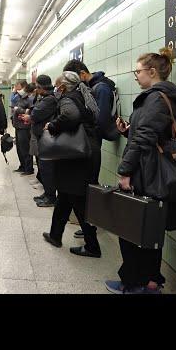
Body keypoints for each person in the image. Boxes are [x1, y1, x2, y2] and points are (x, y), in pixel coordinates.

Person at [105, 48, 176, 294]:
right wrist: (127, 131)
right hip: (152, 168)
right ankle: (152, 281)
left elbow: (144, 138)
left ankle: (133, 282)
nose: (136, 75)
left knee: (132, 227)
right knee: (149, 228)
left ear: (152, 72)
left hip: (148, 171)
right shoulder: (162, 97)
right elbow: (149, 134)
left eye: (138, 71)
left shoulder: (155, 98)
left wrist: (125, 171)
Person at [42, 72, 102, 258]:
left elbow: (71, 115)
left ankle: (92, 246)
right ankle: (55, 235)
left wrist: (52, 126)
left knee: (79, 201)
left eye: (58, 84)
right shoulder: (84, 96)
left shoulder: (68, 98)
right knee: (66, 197)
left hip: (77, 157)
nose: (56, 88)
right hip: (85, 152)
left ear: (64, 85)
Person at [63, 59, 114, 238]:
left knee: (89, 185)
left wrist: (88, 135)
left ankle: (93, 224)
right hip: (91, 142)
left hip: (92, 144)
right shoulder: (95, 87)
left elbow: (99, 119)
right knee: (85, 185)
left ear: (82, 74)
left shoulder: (101, 89)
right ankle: (89, 224)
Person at [29, 75, 58, 207]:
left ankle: (50, 196)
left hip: (46, 138)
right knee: (43, 167)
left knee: (47, 168)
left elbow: (35, 114)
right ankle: (47, 193)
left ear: (41, 87)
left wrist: (31, 114)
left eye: (37, 86)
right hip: (42, 136)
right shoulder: (45, 98)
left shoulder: (49, 99)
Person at [12, 82, 35, 175]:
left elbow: (30, 112)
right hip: (18, 126)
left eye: (23, 90)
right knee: (19, 148)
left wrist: (18, 110)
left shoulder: (30, 99)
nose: (20, 91)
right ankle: (22, 166)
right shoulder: (20, 98)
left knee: (25, 148)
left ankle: (28, 168)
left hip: (24, 127)